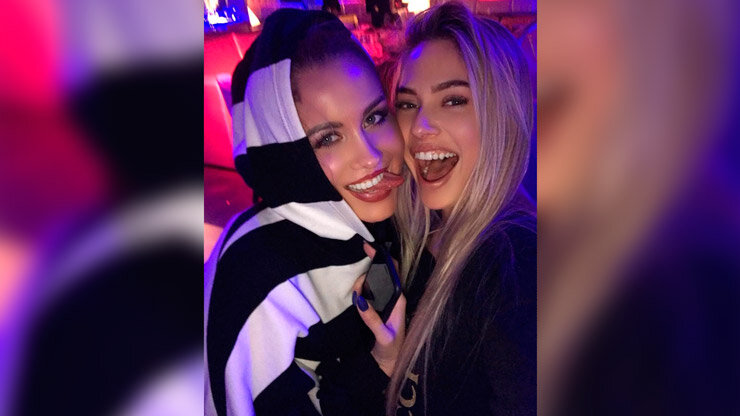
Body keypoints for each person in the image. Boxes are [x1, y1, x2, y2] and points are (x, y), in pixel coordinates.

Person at [319, 3, 536, 415]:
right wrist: (384, 363)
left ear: (503, 116)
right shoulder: (416, 235)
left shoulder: (518, 265)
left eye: (453, 100)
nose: (419, 127)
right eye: (406, 104)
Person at [204, 9, 406, 416]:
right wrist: (380, 366)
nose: (371, 157)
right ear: (286, 154)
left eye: (374, 117)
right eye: (328, 138)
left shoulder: (369, 222)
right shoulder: (260, 280)